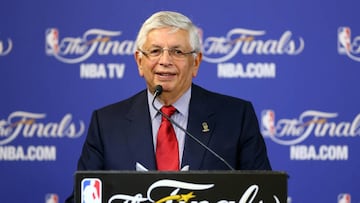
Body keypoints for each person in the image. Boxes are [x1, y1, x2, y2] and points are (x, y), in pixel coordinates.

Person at [65, 10, 271, 202]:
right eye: (155, 51)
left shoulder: (236, 117)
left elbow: (263, 194)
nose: (165, 61)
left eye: (178, 52)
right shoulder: (106, 124)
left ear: (196, 62)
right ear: (139, 61)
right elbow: (83, 198)